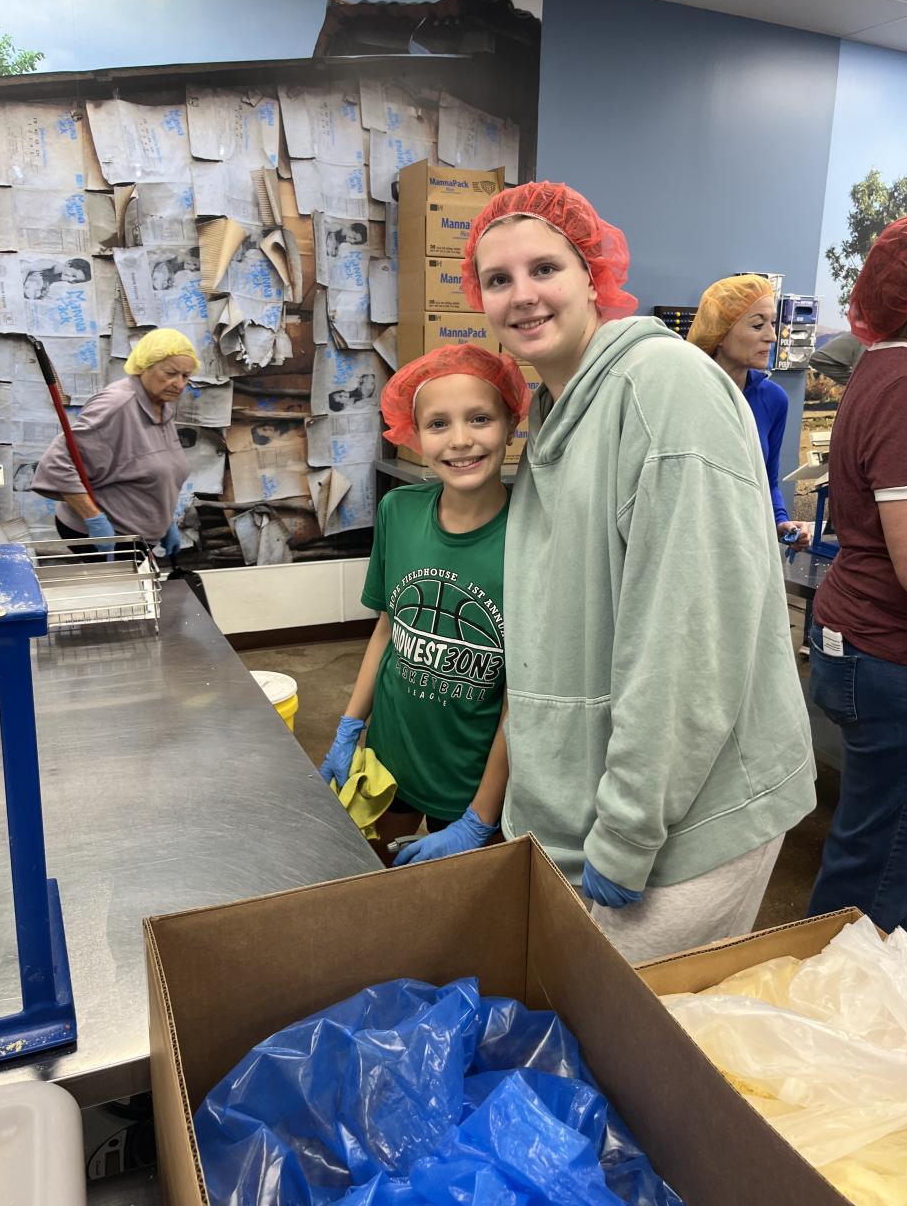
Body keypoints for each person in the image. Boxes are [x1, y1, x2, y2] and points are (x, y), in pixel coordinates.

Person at [459, 182, 816, 962]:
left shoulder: (663, 389)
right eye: (498, 279)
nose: (523, 295)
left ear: (593, 276)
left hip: (686, 820)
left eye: (544, 268)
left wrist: (625, 831)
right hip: (597, 810)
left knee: (629, 1027)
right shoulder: (557, 409)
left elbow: (689, 641)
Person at [320, 344, 530, 868]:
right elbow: (386, 630)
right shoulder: (399, 512)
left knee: (451, 903)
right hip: (387, 759)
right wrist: (350, 726)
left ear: (511, 424)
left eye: (479, 418)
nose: (459, 440)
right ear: (414, 435)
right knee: (371, 876)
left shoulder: (531, 540)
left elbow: (521, 696)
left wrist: (481, 815)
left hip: (469, 782)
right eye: (438, 424)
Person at [807, 208, 907, 936]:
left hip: (873, 647)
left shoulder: (889, 368)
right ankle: (834, 1001)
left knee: (890, 857)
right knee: (882, 881)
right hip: (898, 660)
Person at [32, 327, 199, 559]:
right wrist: (93, 518)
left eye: (185, 376)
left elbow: (150, 468)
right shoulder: (117, 405)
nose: (179, 384)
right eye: (170, 373)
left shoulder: (161, 405)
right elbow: (56, 463)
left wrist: (164, 519)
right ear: (145, 366)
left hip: (140, 534)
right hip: (111, 536)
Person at [688, 274, 811, 548]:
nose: (772, 336)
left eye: (772, 323)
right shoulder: (685, 394)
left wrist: (781, 522)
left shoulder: (773, 400)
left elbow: (767, 481)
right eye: (758, 325)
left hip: (745, 545)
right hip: (690, 544)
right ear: (719, 333)